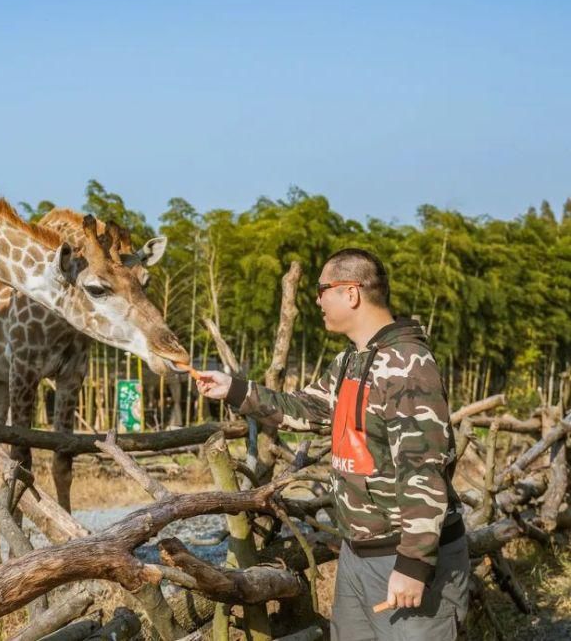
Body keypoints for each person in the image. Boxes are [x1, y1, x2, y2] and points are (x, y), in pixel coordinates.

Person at [196, 248, 469, 640]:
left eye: (323, 289)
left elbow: (422, 469)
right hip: (360, 554)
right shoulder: (350, 361)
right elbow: (305, 410)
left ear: (351, 293)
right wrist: (234, 390)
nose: (317, 299)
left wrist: (414, 564)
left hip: (403, 555)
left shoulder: (408, 364)